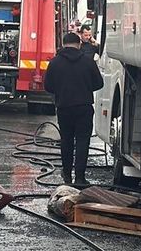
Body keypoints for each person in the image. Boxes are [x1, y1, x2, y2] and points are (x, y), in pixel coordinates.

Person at [44, 32, 104, 186]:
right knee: (83, 141)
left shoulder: (55, 62)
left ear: (64, 44)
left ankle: (67, 175)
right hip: (84, 107)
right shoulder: (88, 62)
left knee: (66, 141)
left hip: (64, 107)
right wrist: (85, 87)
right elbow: (99, 83)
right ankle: (80, 177)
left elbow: (48, 86)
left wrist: (61, 91)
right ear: (79, 44)